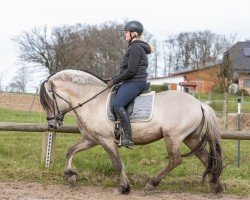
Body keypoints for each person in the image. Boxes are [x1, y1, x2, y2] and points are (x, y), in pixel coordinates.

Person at [107, 20, 151, 148]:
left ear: (134, 34)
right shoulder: (134, 47)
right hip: (132, 80)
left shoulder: (136, 48)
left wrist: (115, 81)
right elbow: (127, 71)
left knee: (118, 105)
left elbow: (131, 71)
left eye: (126, 32)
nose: (125, 34)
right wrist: (114, 78)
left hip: (135, 82)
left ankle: (128, 138)